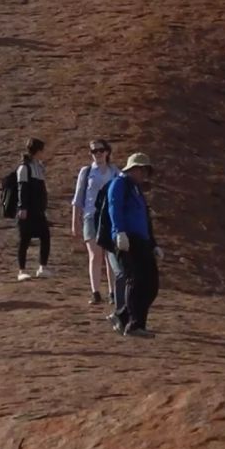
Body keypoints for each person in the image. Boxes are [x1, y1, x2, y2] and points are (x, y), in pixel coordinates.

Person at [108, 152, 162, 336]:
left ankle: (124, 316)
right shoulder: (120, 183)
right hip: (127, 239)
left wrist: (153, 243)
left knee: (151, 284)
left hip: (142, 241)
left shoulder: (137, 189)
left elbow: (145, 219)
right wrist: (119, 232)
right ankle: (135, 325)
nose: (143, 173)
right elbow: (114, 207)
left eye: (145, 170)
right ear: (132, 168)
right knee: (135, 280)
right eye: (140, 169)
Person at [71, 142, 120, 305]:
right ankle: (96, 292)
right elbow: (78, 198)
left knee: (110, 255)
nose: (97, 154)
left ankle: (113, 292)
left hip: (109, 217)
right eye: (94, 151)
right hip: (91, 216)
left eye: (100, 150)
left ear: (107, 152)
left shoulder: (115, 172)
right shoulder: (86, 172)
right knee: (95, 255)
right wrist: (75, 222)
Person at [16, 137, 50, 280]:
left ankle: (42, 267)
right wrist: (22, 207)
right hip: (27, 211)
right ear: (38, 151)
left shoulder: (39, 167)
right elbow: (22, 189)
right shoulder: (24, 168)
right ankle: (21, 270)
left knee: (45, 237)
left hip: (38, 211)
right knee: (24, 240)